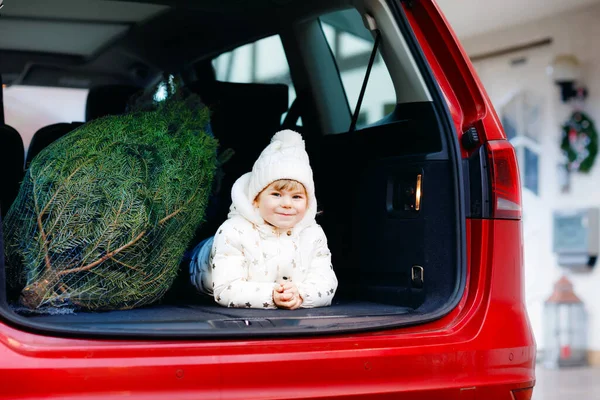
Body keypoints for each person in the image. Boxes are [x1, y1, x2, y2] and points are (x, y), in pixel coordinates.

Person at [190, 129, 337, 309]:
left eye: (297, 197)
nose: (287, 204)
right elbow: (227, 289)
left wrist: (300, 295)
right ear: (256, 199)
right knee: (189, 261)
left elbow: (325, 283)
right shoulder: (233, 231)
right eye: (276, 194)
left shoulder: (313, 234)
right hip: (202, 263)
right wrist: (271, 295)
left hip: (269, 279)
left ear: (308, 203)